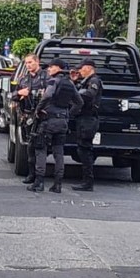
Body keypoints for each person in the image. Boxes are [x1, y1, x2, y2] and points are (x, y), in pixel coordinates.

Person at [27, 58, 83, 193]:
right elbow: (79, 102)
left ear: (57, 68)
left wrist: (38, 110)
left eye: (51, 67)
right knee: (59, 153)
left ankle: (39, 183)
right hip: (62, 122)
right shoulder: (70, 83)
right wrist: (68, 114)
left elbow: (47, 96)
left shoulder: (53, 81)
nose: (48, 70)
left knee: (41, 150)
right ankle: (57, 184)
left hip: (48, 121)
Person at [12, 54, 48, 185]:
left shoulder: (45, 78)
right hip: (27, 117)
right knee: (30, 148)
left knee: (40, 148)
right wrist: (19, 93)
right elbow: (13, 96)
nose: (28, 65)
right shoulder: (23, 79)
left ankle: (40, 178)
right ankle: (31, 174)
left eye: (30, 62)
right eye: (26, 63)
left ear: (37, 62)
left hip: (42, 117)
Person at [72, 58, 103, 192]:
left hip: (88, 119)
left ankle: (88, 182)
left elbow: (90, 95)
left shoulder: (94, 81)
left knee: (85, 150)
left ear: (89, 68)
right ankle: (86, 181)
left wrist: (75, 93)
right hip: (84, 119)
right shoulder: (85, 81)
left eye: (82, 68)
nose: (79, 71)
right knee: (82, 149)